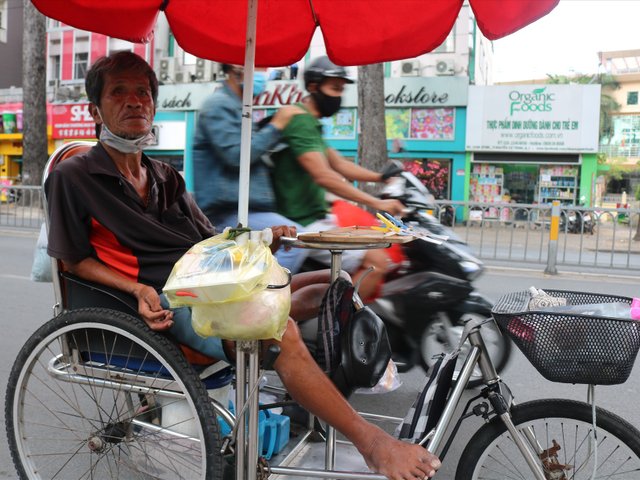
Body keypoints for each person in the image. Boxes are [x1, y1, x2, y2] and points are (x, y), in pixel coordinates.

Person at [45, 51, 440, 480]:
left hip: (210, 280)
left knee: (335, 282)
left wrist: (262, 239)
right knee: (278, 329)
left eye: (143, 92)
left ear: (154, 105)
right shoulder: (74, 175)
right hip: (170, 299)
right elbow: (72, 260)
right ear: (95, 111)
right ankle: (372, 444)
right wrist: (137, 289)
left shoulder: (165, 175)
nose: (135, 101)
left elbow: (210, 238)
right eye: (119, 92)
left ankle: (313, 399)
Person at [270, 56, 406, 301]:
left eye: (342, 90)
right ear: (313, 86)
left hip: (318, 217)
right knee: (377, 263)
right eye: (334, 88)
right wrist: (378, 203)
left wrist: (381, 176)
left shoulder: (311, 123)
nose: (338, 96)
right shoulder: (300, 121)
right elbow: (324, 176)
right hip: (303, 222)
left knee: (371, 242)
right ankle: (336, 321)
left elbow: (340, 164)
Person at [192, 63, 308, 274]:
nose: (263, 75)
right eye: (259, 68)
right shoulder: (219, 105)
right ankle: (268, 291)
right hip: (229, 214)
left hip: (245, 212)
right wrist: (276, 126)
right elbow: (237, 155)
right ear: (235, 69)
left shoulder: (239, 108)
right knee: (295, 241)